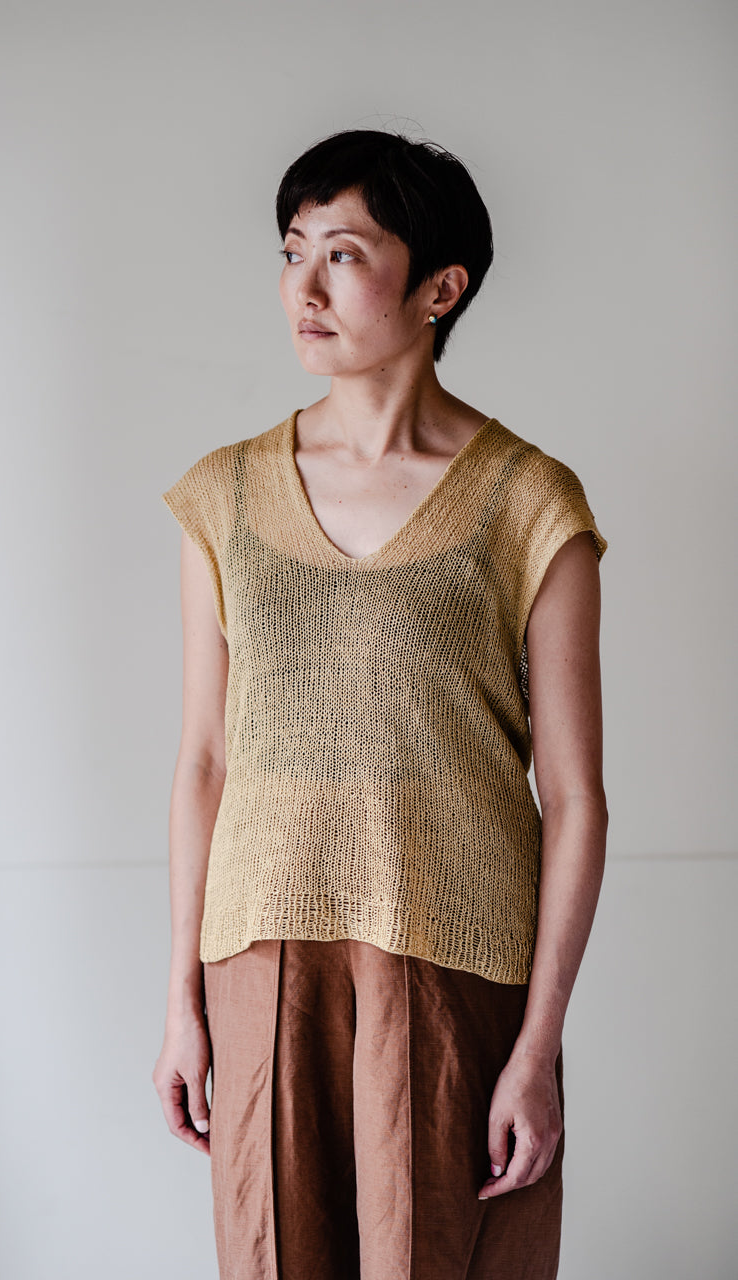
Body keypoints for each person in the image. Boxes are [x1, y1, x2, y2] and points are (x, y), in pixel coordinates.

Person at [152, 128, 608, 1280]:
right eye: (291, 250)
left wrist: (539, 1044)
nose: (303, 287)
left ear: (439, 288)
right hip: (261, 954)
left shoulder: (527, 501)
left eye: (343, 254)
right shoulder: (225, 494)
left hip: (455, 958)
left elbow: (576, 796)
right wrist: (181, 1000)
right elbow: (204, 760)